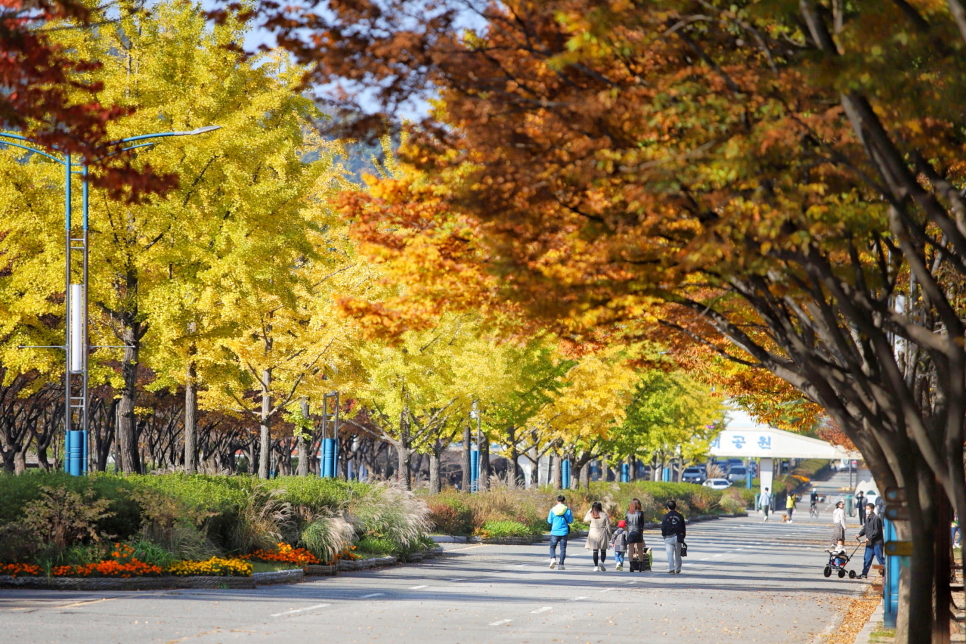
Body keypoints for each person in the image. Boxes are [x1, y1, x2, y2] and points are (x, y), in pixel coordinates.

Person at [857, 502, 884, 579]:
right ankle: (864, 574)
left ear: (872, 509)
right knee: (867, 559)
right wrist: (859, 534)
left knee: (880, 559)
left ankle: (888, 572)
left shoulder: (876, 519)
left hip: (876, 543)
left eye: (868, 509)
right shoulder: (868, 518)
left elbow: (876, 531)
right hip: (869, 544)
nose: (867, 510)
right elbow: (865, 529)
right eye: (866, 508)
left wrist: (869, 538)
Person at [547, 495, 574, 570]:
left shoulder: (552, 510)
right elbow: (570, 521)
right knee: (563, 549)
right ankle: (561, 564)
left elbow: (549, 521)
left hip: (555, 531)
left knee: (552, 547)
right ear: (564, 501)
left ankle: (553, 559)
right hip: (564, 532)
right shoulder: (567, 510)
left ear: (556, 501)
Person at [584, 501, 612, 571]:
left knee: (595, 551)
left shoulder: (591, 515)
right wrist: (609, 535)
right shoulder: (604, 515)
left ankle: (596, 566)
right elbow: (608, 526)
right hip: (602, 532)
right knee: (603, 550)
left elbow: (585, 520)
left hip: (593, 533)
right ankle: (602, 562)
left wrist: (589, 511)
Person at [660, 500, 686, 574]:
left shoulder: (665, 516)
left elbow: (663, 527)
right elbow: (683, 527)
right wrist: (683, 536)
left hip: (668, 537)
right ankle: (678, 569)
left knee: (669, 554)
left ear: (667, 507)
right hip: (678, 537)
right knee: (678, 554)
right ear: (675, 507)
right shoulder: (680, 516)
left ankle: (671, 568)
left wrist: (664, 535)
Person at [625, 498, 646, 567]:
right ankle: (640, 564)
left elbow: (626, 523)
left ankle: (631, 565)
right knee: (640, 549)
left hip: (630, 532)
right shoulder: (640, 513)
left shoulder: (627, 513)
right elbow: (642, 524)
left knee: (631, 549)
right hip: (638, 532)